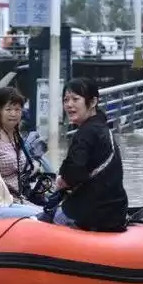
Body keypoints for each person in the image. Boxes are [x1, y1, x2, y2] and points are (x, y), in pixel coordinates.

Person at [50, 77, 128, 232]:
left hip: (89, 214)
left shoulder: (87, 132)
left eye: (75, 99)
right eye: (66, 100)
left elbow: (73, 172)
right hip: (115, 213)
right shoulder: (102, 128)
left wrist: (62, 180)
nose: (69, 105)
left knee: (41, 222)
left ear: (92, 102)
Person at [0, 87, 32, 201]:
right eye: (8, 109)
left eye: (17, 109)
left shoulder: (17, 135)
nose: (13, 114)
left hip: (20, 196)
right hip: (1, 200)